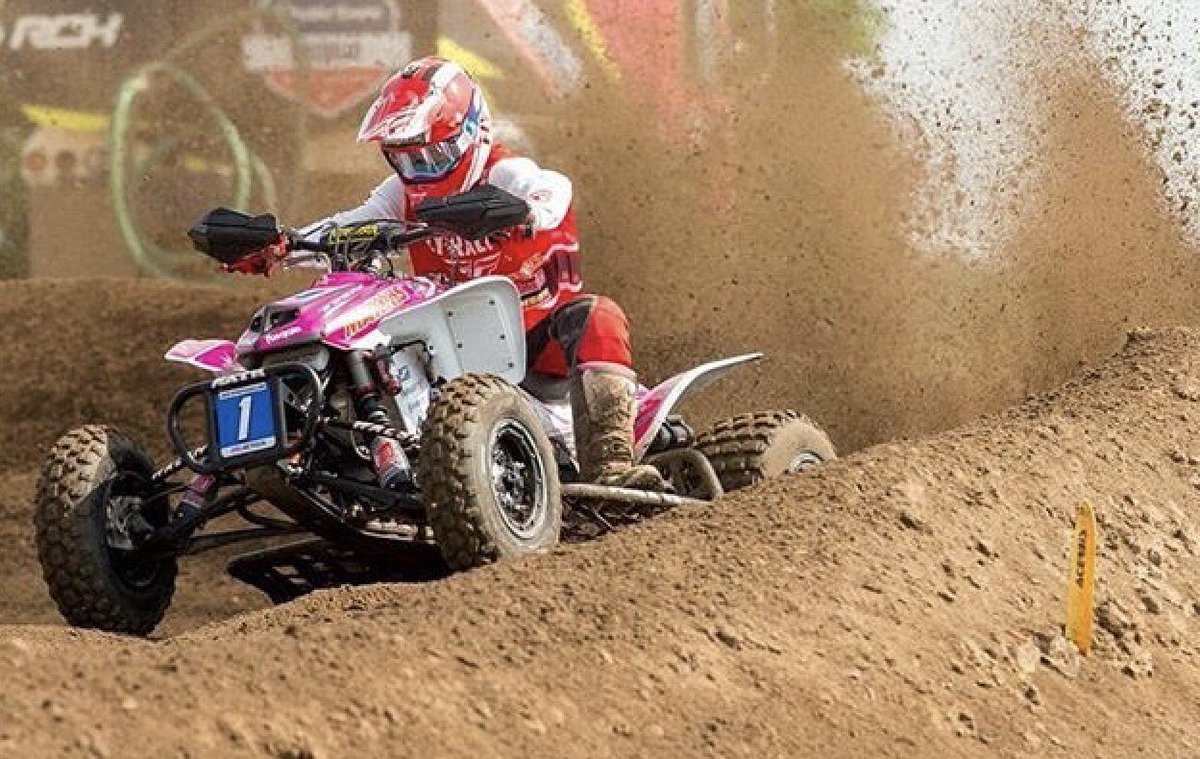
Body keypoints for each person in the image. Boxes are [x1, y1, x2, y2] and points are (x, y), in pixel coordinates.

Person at [254, 57, 667, 491]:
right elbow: (349, 226)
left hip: (532, 344)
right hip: (446, 346)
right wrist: (285, 246)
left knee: (598, 315)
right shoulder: (402, 194)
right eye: (407, 160)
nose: (421, 171)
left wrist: (526, 211)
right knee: (365, 335)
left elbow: (553, 187)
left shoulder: (505, 172)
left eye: (435, 155)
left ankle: (611, 469)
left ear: (474, 133)